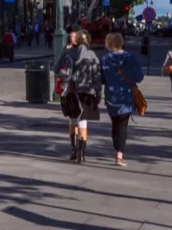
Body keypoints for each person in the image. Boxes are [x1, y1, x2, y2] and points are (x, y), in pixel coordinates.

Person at [101, 32, 144, 168]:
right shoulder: (130, 58)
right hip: (126, 95)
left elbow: (102, 79)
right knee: (122, 125)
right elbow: (139, 77)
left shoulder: (105, 59)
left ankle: (116, 148)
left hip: (111, 96)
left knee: (115, 123)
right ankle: (119, 154)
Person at [57, 29, 101, 164]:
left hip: (71, 91)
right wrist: (98, 93)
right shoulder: (92, 55)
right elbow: (96, 76)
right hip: (87, 91)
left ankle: (73, 150)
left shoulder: (68, 52)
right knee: (83, 122)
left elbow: (56, 68)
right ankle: (82, 154)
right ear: (86, 40)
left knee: (72, 121)